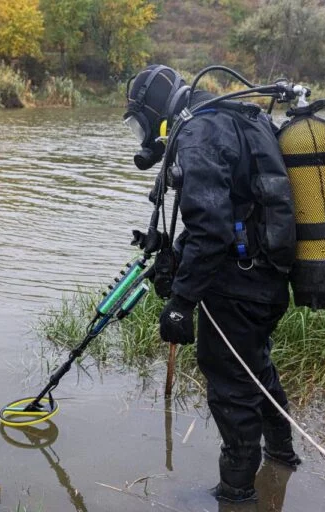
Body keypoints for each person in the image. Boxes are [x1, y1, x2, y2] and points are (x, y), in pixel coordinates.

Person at [123, 64, 301, 504]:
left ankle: (235, 494)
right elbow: (233, 210)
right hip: (269, 274)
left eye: (138, 122)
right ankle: (281, 459)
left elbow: (213, 229)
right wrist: (177, 256)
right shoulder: (232, 115)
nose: (141, 133)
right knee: (255, 367)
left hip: (239, 284)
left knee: (231, 385)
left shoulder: (199, 133)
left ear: (153, 109)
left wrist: (182, 302)